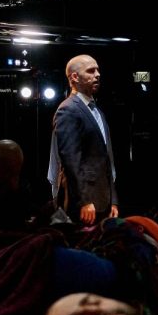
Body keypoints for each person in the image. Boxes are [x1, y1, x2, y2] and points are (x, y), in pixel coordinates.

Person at [49, 54, 117, 226]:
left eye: (98, 70)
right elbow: (71, 160)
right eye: (91, 71)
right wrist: (84, 201)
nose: (97, 74)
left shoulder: (97, 111)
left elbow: (106, 159)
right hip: (84, 202)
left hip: (102, 199)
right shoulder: (68, 110)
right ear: (74, 77)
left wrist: (113, 199)